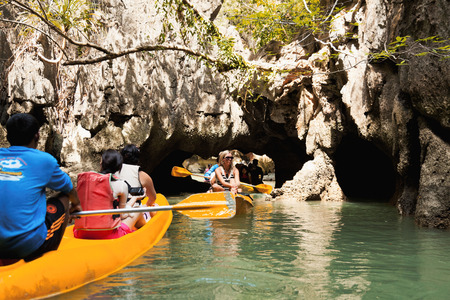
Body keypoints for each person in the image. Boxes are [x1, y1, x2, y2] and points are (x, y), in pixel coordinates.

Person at [0, 113, 81, 262]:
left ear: (8, 137)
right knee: (63, 196)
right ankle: (47, 257)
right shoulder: (44, 160)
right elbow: (68, 188)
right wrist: (76, 204)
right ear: (37, 136)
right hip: (25, 247)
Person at [73, 149, 145, 239]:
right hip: (109, 234)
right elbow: (122, 215)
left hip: (81, 233)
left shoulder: (85, 183)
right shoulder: (121, 185)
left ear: (101, 164)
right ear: (119, 167)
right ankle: (146, 230)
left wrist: (134, 199)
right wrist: (132, 203)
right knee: (138, 210)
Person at [118, 144, 157, 220]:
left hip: (116, 211)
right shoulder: (143, 176)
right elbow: (152, 198)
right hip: (133, 214)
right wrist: (146, 205)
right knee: (156, 207)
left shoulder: (113, 172)